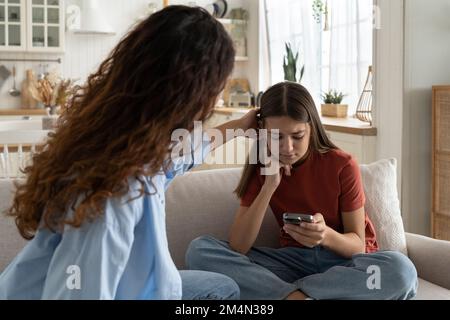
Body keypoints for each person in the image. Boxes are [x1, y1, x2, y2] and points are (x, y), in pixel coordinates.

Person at [0, 5, 258, 300]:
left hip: (128, 286)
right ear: (192, 93)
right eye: (217, 88)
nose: (219, 98)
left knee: (221, 287)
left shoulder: (126, 144)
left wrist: (239, 126)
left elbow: (183, 154)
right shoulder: (116, 191)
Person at [186, 82, 418, 300]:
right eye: (276, 137)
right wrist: (269, 186)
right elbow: (238, 246)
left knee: (401, 270)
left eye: (297, 136)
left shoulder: (342, 165)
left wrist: (325, 235)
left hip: (342, 266)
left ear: (311, 128)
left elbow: (357, 244)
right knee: (200, 250)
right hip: (291, 264)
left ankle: (289, 293)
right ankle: (295, 295)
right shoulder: (262, 166)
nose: (287, 148)